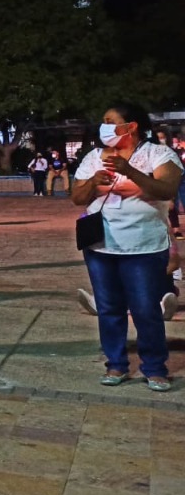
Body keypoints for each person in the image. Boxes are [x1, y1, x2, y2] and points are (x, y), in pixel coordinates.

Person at [71, 102, 182, 392]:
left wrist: (130, 171)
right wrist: (93, 181)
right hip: (100, 247)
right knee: (109, 308)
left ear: (131, 126)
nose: (104, 126)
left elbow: (167, 190)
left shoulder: (158, 154)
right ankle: (116, 364)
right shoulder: (94, 157)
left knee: (145, 309)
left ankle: (154, 368)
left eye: (110, 121)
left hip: (143, 247)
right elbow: (77, 197)